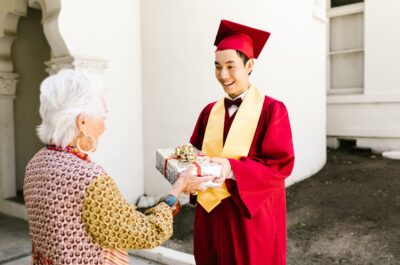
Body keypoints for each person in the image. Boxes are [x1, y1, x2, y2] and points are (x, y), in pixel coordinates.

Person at [23, 69, 212, 265]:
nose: (104, 126)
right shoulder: (89, 180)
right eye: (103, 117)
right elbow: (149, 232)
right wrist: (178, 187)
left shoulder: (36, 163)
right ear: (82, 122)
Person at [186, 19, 295, 265]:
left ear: (250, 65)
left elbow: (279, 165)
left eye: (230, 66)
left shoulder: (272, 110)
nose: (222, 75)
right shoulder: (208, 112)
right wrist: (184, 171)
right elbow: (194, 153)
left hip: (250, 217)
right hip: (211, 214)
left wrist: (232, 168)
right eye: (217, 67)